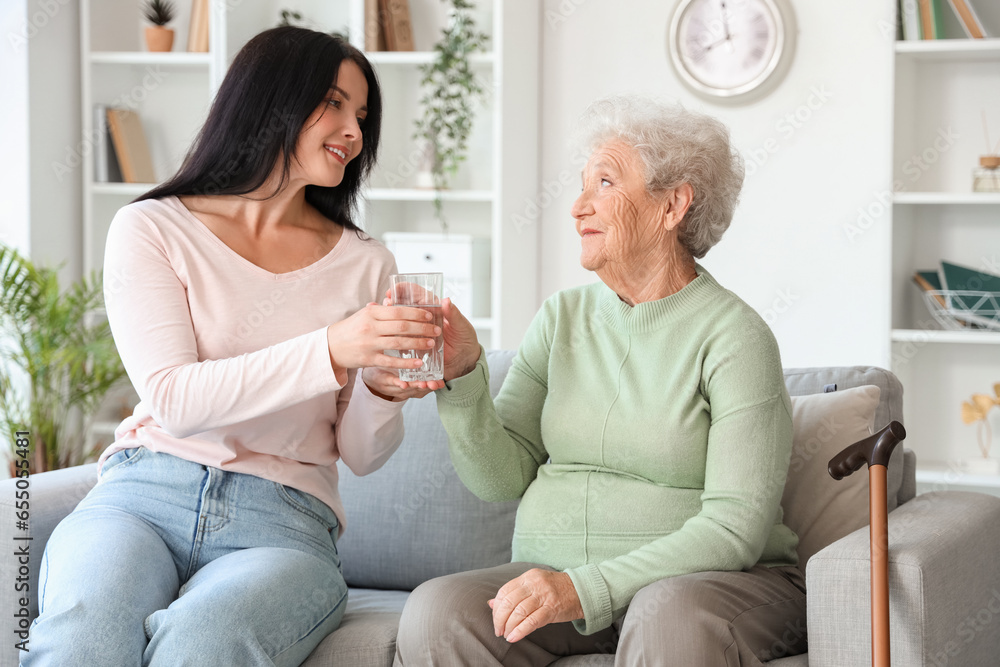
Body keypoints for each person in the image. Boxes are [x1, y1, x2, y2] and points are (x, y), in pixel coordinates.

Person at [24, 27, 440, 667]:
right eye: (333, 102)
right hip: (143, 496)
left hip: (284, 523)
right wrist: (332, 348)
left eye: (362, 115)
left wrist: (382, 390)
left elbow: (360, 453)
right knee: (85, 634)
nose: (354, 131)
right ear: (269, 100)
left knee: (205, 644)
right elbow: (176, 399)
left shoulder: (366, 263)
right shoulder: (153, 228)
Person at [393, 95, 806, 666]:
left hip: (706, 583)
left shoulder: (735, 337)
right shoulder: (561, 318)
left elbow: (735, 528)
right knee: (439, 611)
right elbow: (500, 478)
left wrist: (584, 589)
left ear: (673, 205)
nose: (578, 206)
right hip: (558, 580)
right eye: (582, 184)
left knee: (669, 618)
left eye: (606, 182)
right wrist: (462, 375)